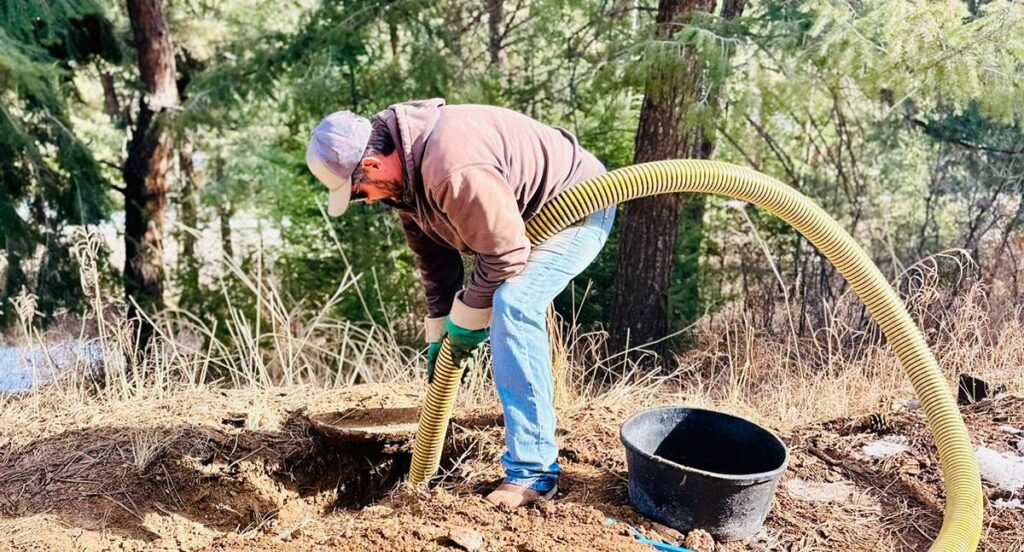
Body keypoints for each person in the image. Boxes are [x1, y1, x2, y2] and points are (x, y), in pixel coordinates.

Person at [305, 98, 615, 508]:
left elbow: (504, 257)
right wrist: (441, 336)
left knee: (514, 303)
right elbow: (436, 265)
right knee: (500, 300)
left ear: (374, 165)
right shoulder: (408, 183)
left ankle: (534, 471)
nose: (370, 200)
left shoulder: (449, 165)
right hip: (517, 224)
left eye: (360, 192)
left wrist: (466, 326)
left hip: (577, 204)